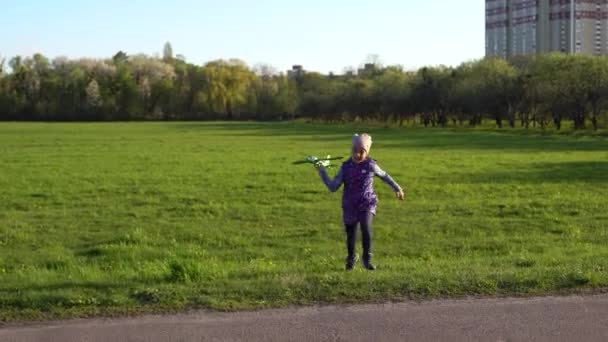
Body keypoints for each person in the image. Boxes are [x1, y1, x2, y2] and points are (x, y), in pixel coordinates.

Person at [317, 133, 405, 271]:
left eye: (362, 151)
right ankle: (352, 258)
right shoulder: (345, 167)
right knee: (351, 234)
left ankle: (367, 259)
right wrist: (322, 171)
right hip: (350, 205)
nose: (358, 154)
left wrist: (397, 188)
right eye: (355, 151)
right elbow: (333, 187)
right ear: (351, 150)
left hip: (367, 202)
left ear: (367, 152)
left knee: (366, 228)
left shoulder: (371, 165)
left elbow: (384, 176)